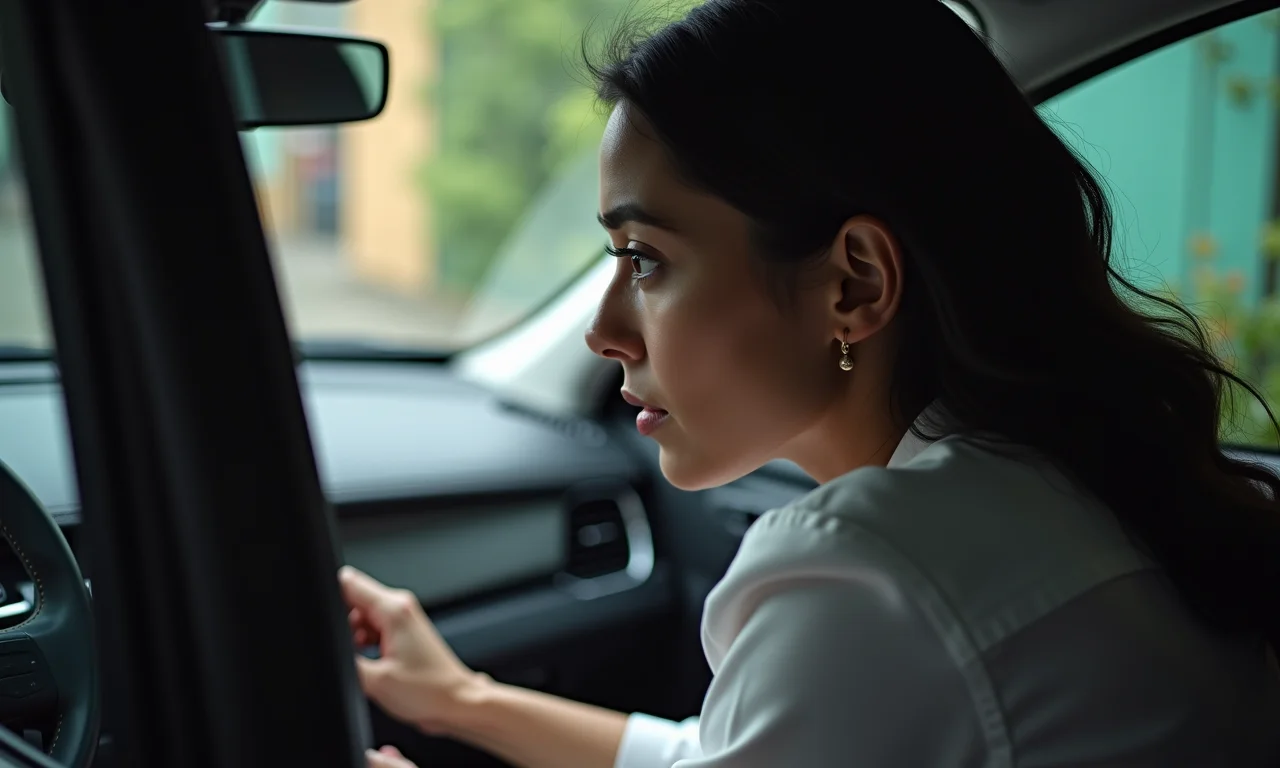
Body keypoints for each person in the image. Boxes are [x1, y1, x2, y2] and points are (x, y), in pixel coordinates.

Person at [346, 0, 1280, 765]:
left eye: (646, 260)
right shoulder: (1070, 482)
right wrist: (463, 699)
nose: (602, 332)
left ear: (854, 282)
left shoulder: (878, 568)